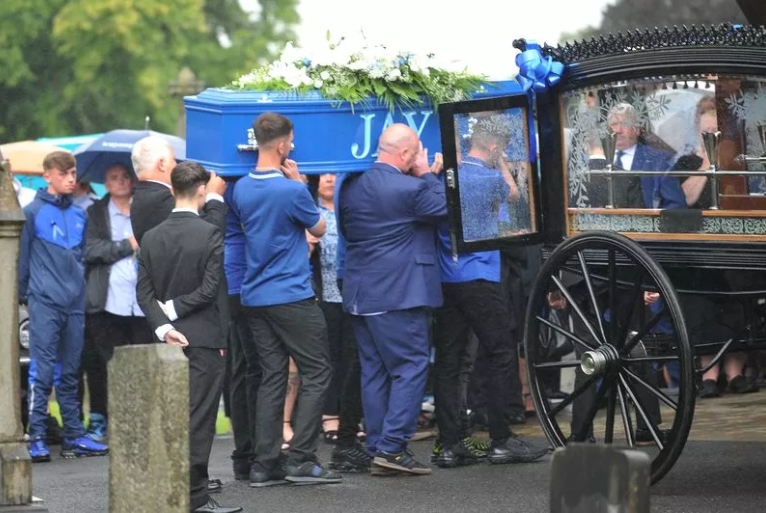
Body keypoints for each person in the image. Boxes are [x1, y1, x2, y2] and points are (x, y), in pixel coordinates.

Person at [432, 115, 548, 468]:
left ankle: (451, 443)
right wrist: (500, 163)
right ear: (496, 146)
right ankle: (501, 439)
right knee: (499, 352)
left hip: (447, 277)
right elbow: (513, 194)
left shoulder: (446, 176)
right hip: (479, 275)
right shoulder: (486, 177)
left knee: (450, 362)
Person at [231, 112, 339, 486]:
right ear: (281, 145)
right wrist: (299, 184)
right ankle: (303, 458)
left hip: (255, 294)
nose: (292, 147)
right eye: (290, 142)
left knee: (271, 377)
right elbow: (320, 227)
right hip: (291, 293)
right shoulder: (291, 190)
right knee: (317, 370)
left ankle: (264, 463)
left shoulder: (241, 188)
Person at [338, 123, 444, 476]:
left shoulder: (350, 186)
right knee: (411, 366)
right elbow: (444, 207)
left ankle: (377, 446)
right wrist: (428, 173)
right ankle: (393, 447)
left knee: (375, 371)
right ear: (405, 154)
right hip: (398, 293)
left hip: (359, 291)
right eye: (415, 153)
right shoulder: (411, 188)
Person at [136, 161, 241, 513]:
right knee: (198, 420)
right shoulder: (210, 233)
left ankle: (167, 491)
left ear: (171, 191)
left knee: (168, 416)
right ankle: (193, 498)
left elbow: (143, 293)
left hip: (164, 340)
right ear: (200, 191)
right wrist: (175, 311)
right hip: (204, 338)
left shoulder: (151, 237)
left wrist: (163, 325)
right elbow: (210, 289)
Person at [19, 151, 109, 462]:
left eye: (74, 174)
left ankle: (73, 436)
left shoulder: (81, 215)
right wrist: (27, 297)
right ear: (48, 176)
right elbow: (22, 262)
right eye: (65, 174)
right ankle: (37, 437)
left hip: (74, 303)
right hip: (44, 302)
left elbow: (81, 258)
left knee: (70, 373)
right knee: (42, 372)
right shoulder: (32, 212)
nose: (72, 179)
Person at [81, 163, 151, 442]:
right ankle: (106, 420)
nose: (121, 182)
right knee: (107, 365)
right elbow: (90, 250)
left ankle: (139, 422)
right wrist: (127, 244)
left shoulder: (144, 210)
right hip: (108, 303)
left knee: (143, 363)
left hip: (142, 303)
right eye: (114, 178)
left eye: (125, 177)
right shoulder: (95, 212)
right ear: (105, 184)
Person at [222, 177, 261, 481]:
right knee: (253, 368)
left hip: (232, 277)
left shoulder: (223, 185)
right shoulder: (241, 186)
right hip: (244, 276)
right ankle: (251, 453)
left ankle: (245, 454)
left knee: (240, 367)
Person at [129, 136, 227, 244]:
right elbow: (211, 234)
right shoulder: (162, 199)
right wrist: (214, 196)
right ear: (161, 164)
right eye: (173, 160)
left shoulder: (141, 195)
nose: (176, 165)